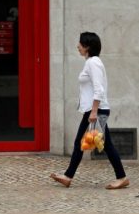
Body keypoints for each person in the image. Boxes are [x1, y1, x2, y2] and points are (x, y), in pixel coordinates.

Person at [50, 32, 130, 190]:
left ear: (87, 47)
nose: (77, 46)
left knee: (98, 144)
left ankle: (121, 177)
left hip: (96, 111)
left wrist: (93, 112)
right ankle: (68, 176)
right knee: (96, 143)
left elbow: (99, 89)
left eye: (80, 44)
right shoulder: (91, 62)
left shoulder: (93, 63)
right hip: (94, 110)